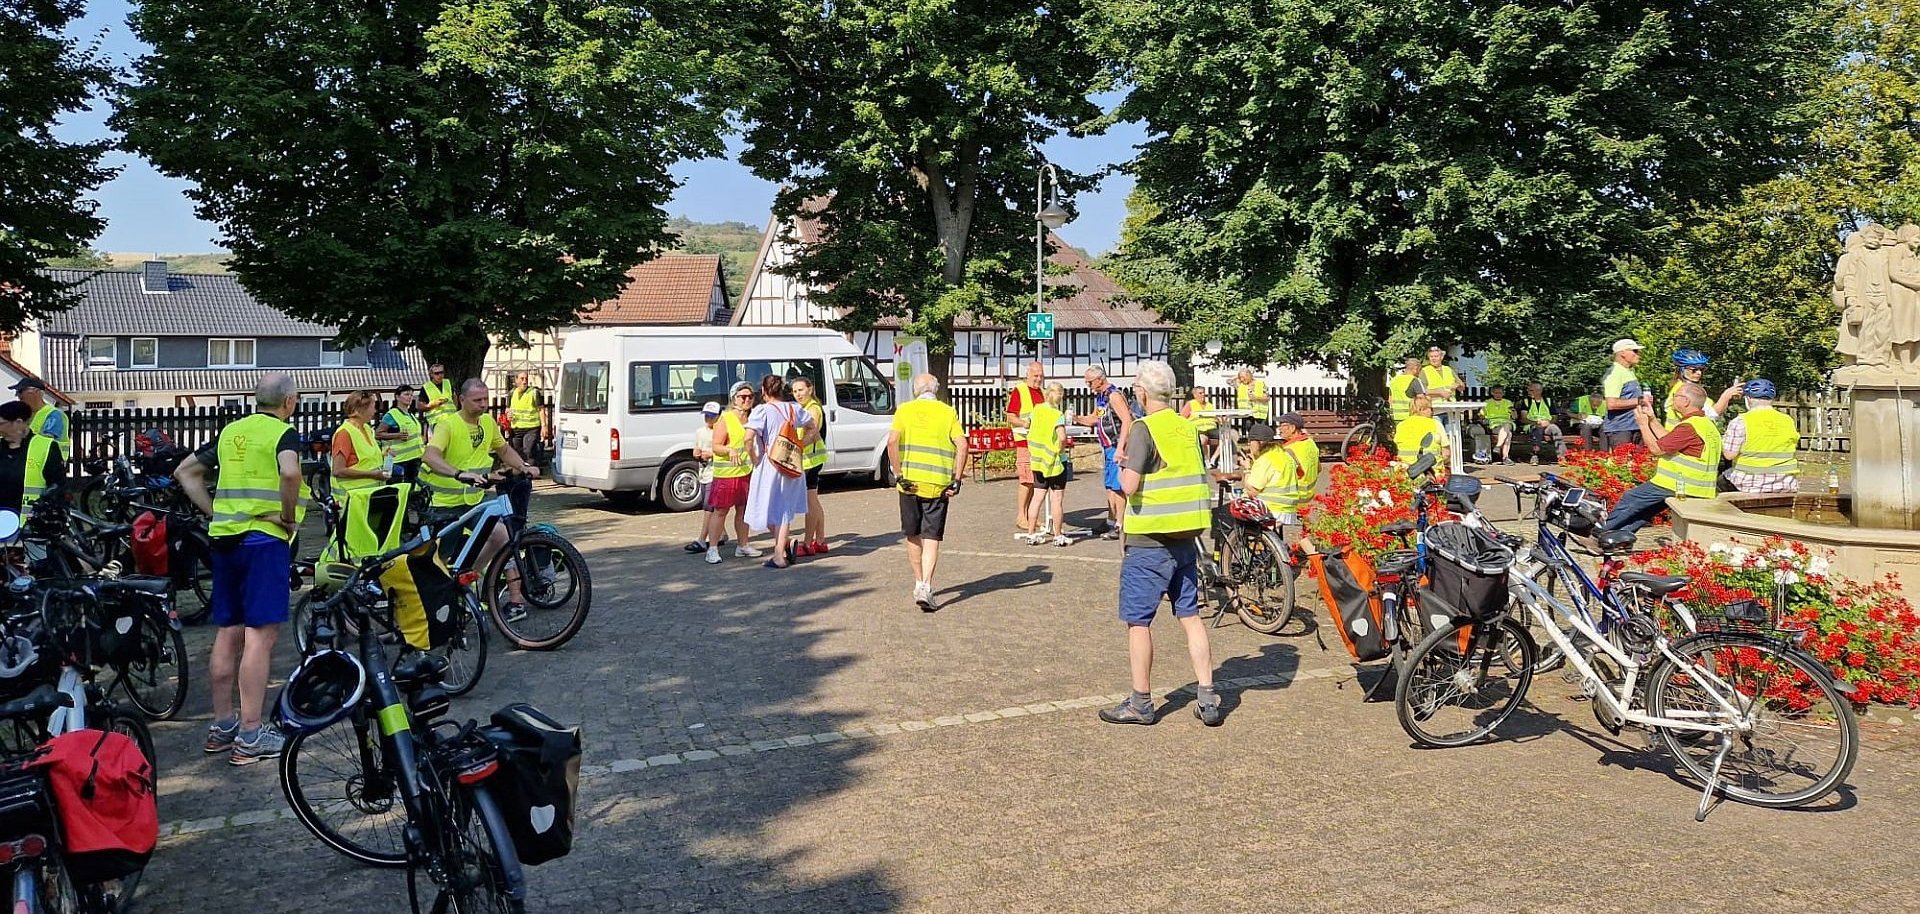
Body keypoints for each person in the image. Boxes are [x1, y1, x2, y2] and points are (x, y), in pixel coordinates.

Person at [174, 374, 306, 765]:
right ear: (289, 401)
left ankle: (223, 725)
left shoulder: (232, 432)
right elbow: (290, 473)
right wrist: (286, 516)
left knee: (227, 629)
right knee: (260, 636)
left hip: (225, 540)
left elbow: (185, 472)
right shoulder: (283, 433)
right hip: (263, 541)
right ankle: (251, 734)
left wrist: (214, 512)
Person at [1097, 360, 1221, 728]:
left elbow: (1130, 485)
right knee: (1190, 616)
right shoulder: (1186, 427)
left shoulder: (1142, 428)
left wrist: (1120, 463)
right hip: (1187, 536)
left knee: (1138, 622)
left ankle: (1140, 702)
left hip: (1149, 540)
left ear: (1142, 393)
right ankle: (1208, 695)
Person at [420, 378, 541, 619]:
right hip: (444, 505)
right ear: (461, 400)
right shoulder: (448, 425)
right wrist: (458, 473)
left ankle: (464, 579)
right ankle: (433, 605)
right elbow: (429, 456)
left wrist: (523, 465)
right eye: (477, 400)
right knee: (438, 560)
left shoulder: (487, 422)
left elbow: (503, 449)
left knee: (502, 536)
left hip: (474, 503)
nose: (483, 405)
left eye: (486, 399)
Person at [888, 373, 969, 610]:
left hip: (909, 482)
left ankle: (917, 581)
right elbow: (962, 445)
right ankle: (926, 584)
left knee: (912, 533)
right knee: (931, 536)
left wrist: (898, 473)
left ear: (916, 390)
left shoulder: (904, 410)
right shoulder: (948, 412)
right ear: (936, 389)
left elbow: (892, 442)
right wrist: (956, 479)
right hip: (938, 484)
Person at [1599, 384, 1721, 535]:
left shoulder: (1689, 427)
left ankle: (1598, 534)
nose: (1673, 399)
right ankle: (1616, 539)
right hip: (1696, 486)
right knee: (1646, 510)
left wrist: (1643, 425)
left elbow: (1657, 449)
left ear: (1686, 402)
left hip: (1678, 483)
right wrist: (1652, 419)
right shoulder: (1704, 424)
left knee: (1631, 499)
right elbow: (1668, 440)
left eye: (1676, 396)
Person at [743, 374, 815, 569]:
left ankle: (779, 555)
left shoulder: (762, 411)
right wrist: (799, 446)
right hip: (790, 463)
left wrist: (755, 458)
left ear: (764, 392)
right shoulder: (794, 408)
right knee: (783, 508)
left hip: (769, 464)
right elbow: (812, 428)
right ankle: (784, 544)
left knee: (767, 507)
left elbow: (748, 439)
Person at [699, 382, 759, 564]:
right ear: (734, 399)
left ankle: (743, 545)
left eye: (750, 396)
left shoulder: (752, 418)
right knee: (721, 511)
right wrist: (728, 450)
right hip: (726, 475)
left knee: (743, 510)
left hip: (745, 471)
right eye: (743, 397)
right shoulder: (726, 419)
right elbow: (716, 446)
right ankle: (713, 548)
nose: (747, 400)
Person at [1076, 366, 1134, 539]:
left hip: (1116, 445)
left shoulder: (1114, 396)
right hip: (1107, 446)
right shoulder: (1100, 397)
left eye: (1090, 382)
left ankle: (1120, 524)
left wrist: (1122, 446)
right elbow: (1095, 418)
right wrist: (1076, 419)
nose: (1088, 385)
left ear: (1100, 379)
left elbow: (1127, 420)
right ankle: (1110, 520)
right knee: (1109, 486)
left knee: (1117, 487)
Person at [1723, 379, 1800, 494]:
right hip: (1786, 483)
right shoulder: (1788, 420)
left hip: (1748, 484)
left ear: (1748, 398)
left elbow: (1729, 455)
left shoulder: (1741, 421)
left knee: (1720, 482)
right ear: (1772, 399)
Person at [1247, 413, 1319, 532]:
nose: (1279, 429)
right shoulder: (1310, 444)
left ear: (1292, 428)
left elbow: (1276, 474)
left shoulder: (1288, 450)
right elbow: (1318, 469)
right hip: (1308, 495)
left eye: (1282, 425)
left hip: (1292, 498)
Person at [1022, 382, 1072, 546]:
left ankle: (1031, 533)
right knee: (1057, 499)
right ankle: (1058, 536)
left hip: (1038, 460)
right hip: (1055, 461)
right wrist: (1060, 449)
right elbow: (1062, 437)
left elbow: (1028, 425)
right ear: (1060, 395)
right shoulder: (1057, 414)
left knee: (1037, 498)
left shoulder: (1037, 410)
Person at [0, 401, 64, 515]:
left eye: (1, 424)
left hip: (32, 524)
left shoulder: (46, 447)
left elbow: (58, 485)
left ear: (18, 422)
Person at [1005, 361, 1046, 536]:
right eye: (1035, 376)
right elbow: (1010, 415)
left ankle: (1032, 515)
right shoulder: (1020, 390)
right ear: (1028, 374)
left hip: (1038, 442)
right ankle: (1021, 516)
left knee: (1035, 480)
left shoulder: (1042, 393)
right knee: (1026, 480)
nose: (1038, 379)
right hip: (1024, 441)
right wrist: (1024, 423)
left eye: (1041, 376)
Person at [791, 378, 830, 556]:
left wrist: (796, 446)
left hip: (810, 461)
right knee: (814, 500)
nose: (798, 394)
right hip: (811, 460)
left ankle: (808, 543)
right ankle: (820, 540)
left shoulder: (813, 408)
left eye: (801, 390)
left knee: (810, 502)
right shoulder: (805, 408)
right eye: (794, 391)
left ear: (810, 389)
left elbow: (812, 432)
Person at [330, 391, 392, 497]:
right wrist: (373, 475)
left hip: (368, 497)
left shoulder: (366, 428)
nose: (375, 410)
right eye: (373, 407)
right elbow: (338, 470)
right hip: (352, 499)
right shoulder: (344, 433)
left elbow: (365, 459)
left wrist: (384, 455)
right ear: (362, 409)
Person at [683, 402, 725, 554]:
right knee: (708, 505)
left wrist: (711, 454)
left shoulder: (721, 431)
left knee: (709, 507)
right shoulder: (700, 431)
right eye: (706, 415)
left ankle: (702, 539)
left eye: (711, 416)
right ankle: (721, 533)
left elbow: (725, 449)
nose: (708, 418)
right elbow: (697, 446)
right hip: (704, 472)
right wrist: (697, 452)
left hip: (717, 472)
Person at [1663, 350, 1741, 425]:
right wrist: (1726, 395)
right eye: (1694, 370)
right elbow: (1712, 415)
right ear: (1682, 370)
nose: (1699, 373)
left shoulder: (1687, 387)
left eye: (1701, 369)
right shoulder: (1683, 391)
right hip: (1682, 436)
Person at [1601, 339, 1650, 449]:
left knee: (1639, 464)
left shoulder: (1629, 371)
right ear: (1622, 353)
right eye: (1635, 351)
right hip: (1620, 430)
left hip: (1635, 426)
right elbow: (1611, 404)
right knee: (1623, 465)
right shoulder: (1615, 373)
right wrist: (1640, 401)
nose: (1638, 354)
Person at [9, 379, 69, 463]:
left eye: (21, 391)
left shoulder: (54, 415)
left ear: (36, 392)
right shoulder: (26, 416)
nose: (17, 395)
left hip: (49, 465)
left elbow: (44, 441)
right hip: (31, 463)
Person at [377, 385, 425, 484]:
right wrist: (397, 435)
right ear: (397, 397)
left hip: (414, 458)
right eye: (406, 394)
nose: (410, 397)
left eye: (411, 395)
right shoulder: (392, 415)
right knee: (399, 491)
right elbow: (378, 434)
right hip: (398, 460)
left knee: (412, 490)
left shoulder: (410, 415)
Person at [1394, 394, 1448, 471]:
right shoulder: (1435, 424)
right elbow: (1446, 454)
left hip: (1405, 472)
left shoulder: (1401, 425)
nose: (1432, 412)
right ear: (1421, 409)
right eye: (1430, 408)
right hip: (1432, 473)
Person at [506, 372, 549, 466]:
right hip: (516, 429)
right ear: (516, 380)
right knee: (517, 452)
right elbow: (508, 409)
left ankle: (530, 472)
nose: (524, 381)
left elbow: (541, 409)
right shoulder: (511, 393)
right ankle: (521, 472)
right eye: (522, 379)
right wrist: (508, 415)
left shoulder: (534, 393)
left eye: (526, 379)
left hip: (531, 428)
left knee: (528, 451)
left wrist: (544, 426)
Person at [1419, 346, 1465, 433]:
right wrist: (1439, 392)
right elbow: (1422, 390)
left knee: (1452, 436)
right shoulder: (1425, 371)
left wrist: (1457, 385)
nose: (1433, 359)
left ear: (1441, 357)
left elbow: (1462, 386)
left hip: (1450, 410)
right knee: (1438, 437)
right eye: (1431, 357)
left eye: (1436, 356)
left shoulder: (1448, 369)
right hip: (1435, 410)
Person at [1519, 383, 1562, 465]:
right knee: (1537, 429)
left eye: (1531, 390)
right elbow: (1523, 418)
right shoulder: (1526, 401)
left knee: (1555, 429)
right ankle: (1535, 455)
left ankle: (1562, 456)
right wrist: (1536, 423)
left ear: (1539, 391)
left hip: (1547, 425)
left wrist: (1548, 422)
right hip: (1531, 425)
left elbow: (1554, 417)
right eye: (1528, 390)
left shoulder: (1548, 401)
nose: (1528, 392)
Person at [1473, 385, 1514, 464]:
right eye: (1496, 393)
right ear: (1492, 393)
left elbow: (1514, 416)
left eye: (1500, 393)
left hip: (1507, 422)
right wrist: (1481, 417)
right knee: (1509, 434)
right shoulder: (1487, 403)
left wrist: (1513, 412)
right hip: (1493, 424)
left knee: (1506, 426)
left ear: (1503, 393)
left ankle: (1498, 447)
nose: (1498, 395)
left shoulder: (1508, 403)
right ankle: (1505, 457)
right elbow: (1481, 415)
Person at [1182, 384, 1218, 465]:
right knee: (1203, 440)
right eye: (1200, 393)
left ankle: (1214, 459)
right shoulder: (1190, 404)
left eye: (1203, 393)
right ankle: (1206, 460)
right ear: (1195, 395)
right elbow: (1182, 418)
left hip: (1212, 428)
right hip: (1199, 429)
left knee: (1226, 437)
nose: (1203, 395)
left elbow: (1215, 417)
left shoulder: (1209, 405)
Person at [1570, 386, 1606, 452]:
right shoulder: (1580, 401)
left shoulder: (1604, 402)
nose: (1595, 406)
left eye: (1598, 403)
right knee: (1586, 427)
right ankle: (1588, 453)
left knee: (1605, 428)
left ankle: (1604, 454)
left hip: (1597, 425)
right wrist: (1578, 416)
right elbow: (1569, 412)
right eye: (1593, 403)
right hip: (1580, 424)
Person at [420, 363, 456, 427]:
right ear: (431, 375)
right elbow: (421, 406)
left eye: (442, 372)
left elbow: (454, 398)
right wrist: (432, 405)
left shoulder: (448, 383)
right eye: (436, 373)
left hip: (451, 420)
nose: (440, 375)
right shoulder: (426, 387)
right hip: (436, 422)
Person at [1387, 357, 1421, 425]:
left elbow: (1390, 400)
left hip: (1396, 417)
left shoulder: (1394, 380)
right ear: (1415, 368)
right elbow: (1421, 399)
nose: (1419, 372)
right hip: (1410, 416)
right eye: (1419, 370)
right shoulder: (1413, 380)